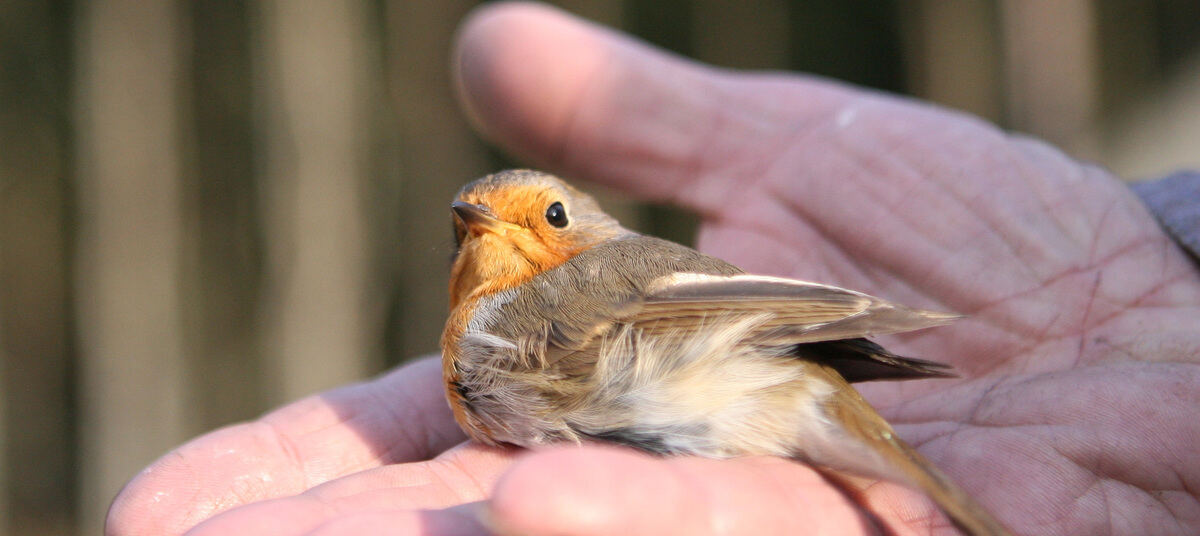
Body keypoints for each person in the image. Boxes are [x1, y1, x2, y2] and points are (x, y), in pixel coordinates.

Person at [106, 3, 1200, 535]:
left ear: (578, 225)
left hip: (740, 371)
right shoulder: (492, 317)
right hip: (747, 386)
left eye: (543, 215)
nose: (502, 235)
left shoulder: (521, 319)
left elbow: (697, 306)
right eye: (473, 229)